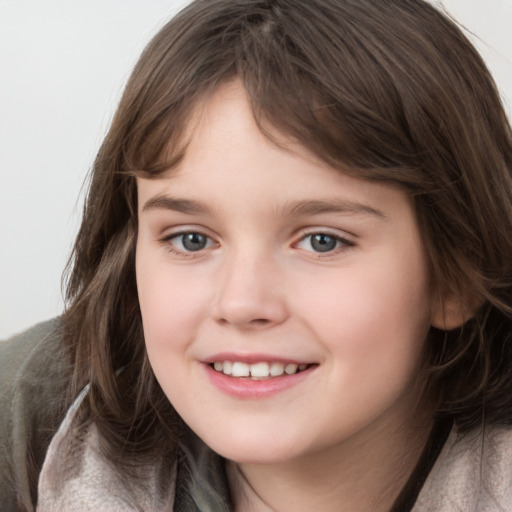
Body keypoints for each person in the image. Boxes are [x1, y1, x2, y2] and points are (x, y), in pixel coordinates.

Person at [1, 0, 512, 510]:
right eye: (191, 239)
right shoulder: (27, 418)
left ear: (459, 272)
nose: (242, 303)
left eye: (322, 241)